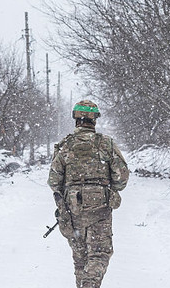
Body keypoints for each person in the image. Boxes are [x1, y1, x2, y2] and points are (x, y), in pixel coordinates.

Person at [48, 100, 129, 288]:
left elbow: (54, 181)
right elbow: (122, 176)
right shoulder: (105, 144)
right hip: (100, 208)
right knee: (99, 254)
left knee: (80, 259)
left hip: (72, 209)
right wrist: (108, 188)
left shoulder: (65, 146)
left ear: (76, 119)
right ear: (95, 120)